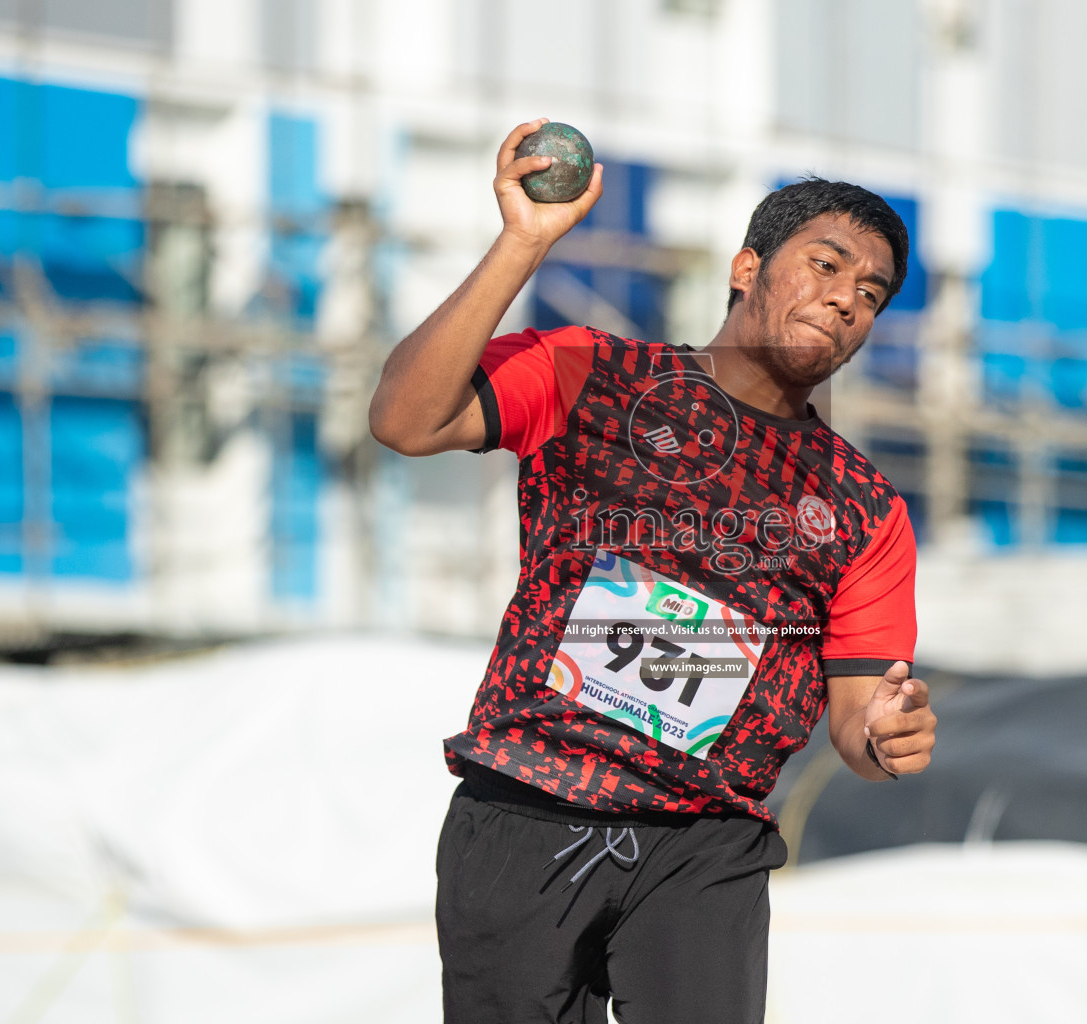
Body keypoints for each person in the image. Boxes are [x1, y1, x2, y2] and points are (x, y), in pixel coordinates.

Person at [369, 119, 938, 1024]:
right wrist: (523, 243)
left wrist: (885, 736)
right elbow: (405, 419)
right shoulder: (591, 374)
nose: (845, 302)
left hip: (706, 848)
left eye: (870, 293)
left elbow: (858, 722)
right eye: (826, 266)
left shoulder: (864, 505)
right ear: (746, 267)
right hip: (528, 806)